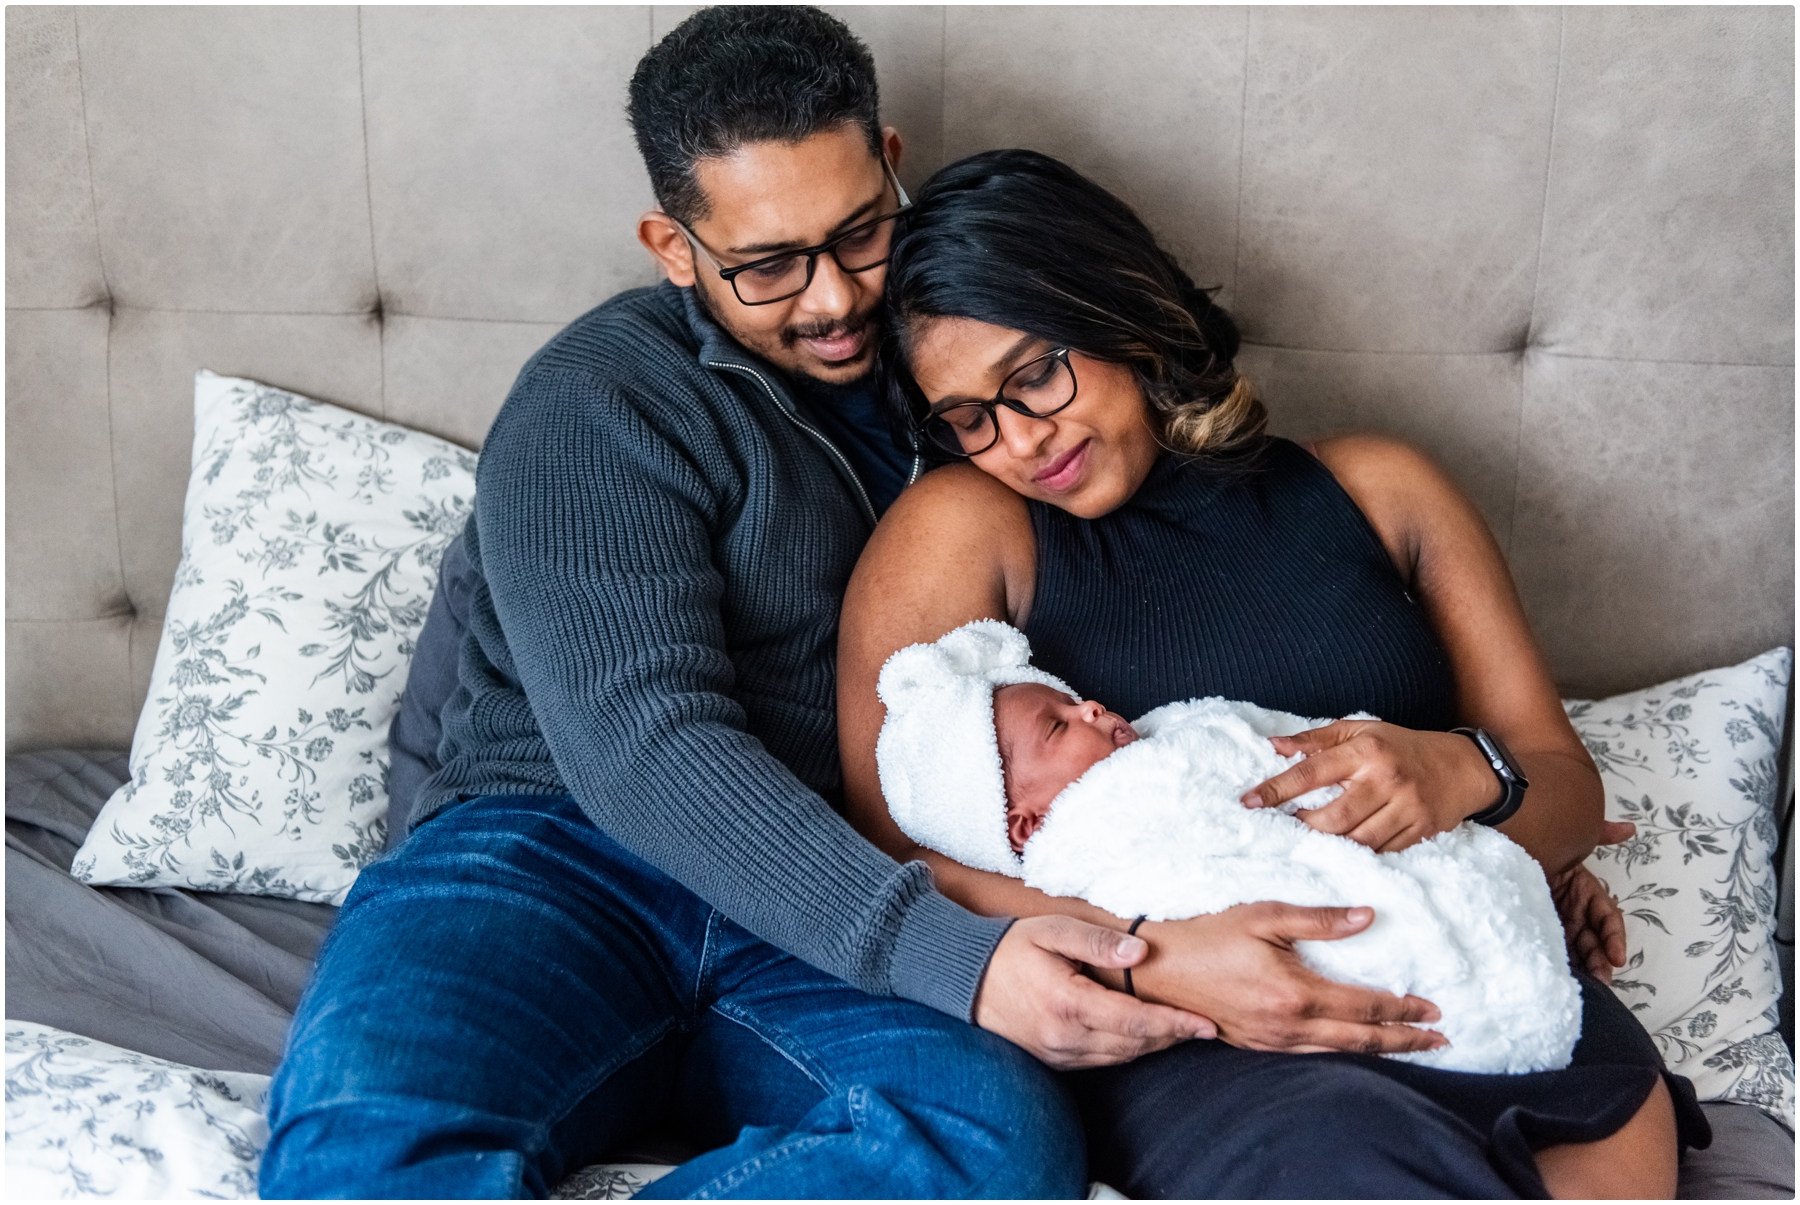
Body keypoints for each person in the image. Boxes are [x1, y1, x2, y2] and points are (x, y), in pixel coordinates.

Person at [262, 12, 1197, 1197]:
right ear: (671, 245)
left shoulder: (977, 370)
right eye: (768, 265)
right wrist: (949, 955)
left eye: (861, 234)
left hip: (824, 888)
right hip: (548, 857)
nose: (833, 300)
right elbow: (645, 745)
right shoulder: (595, 398)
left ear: (893, 158)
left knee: (991, 1143)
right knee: (358, 1156)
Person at [836, 148, 1711, 1198]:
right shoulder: (966, 528)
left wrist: (1469, 786)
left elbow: (1562, 786)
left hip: (1485, 979)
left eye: (1035, 374)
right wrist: (1150, 956)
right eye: (970, 418)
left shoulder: (1385, 490)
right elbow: (886, 863)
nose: (1021, 438)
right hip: (1219, 1033)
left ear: (1127, 310)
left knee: (1608, 1126)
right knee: (1352, 1156)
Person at [872, 619, 1586, 1078]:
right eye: (1060, 727)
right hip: (1250, 995)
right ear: (1025, 825)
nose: (1091, 707)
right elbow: (897, 853)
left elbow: (1277, 745)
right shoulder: (1081, 839)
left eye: (1076, 700)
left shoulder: (1172, 734)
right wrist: (1149, 951)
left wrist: (1470, 779)